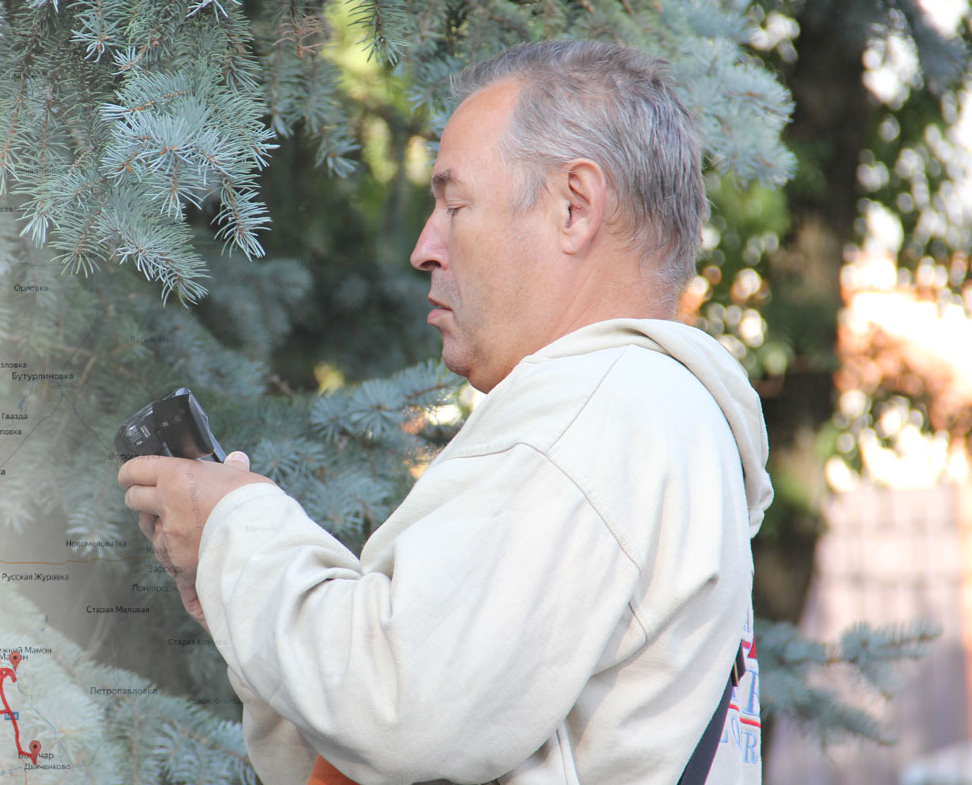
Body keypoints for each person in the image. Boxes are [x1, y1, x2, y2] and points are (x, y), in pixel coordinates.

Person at [118, 39, 773, 785]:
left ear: (574, 207)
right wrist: (232, 572)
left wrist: (241, 525)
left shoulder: (604, 407)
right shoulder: (648, 416)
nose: (426, 247)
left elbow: (398, 707)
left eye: (455, 203)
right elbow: (386, 742)